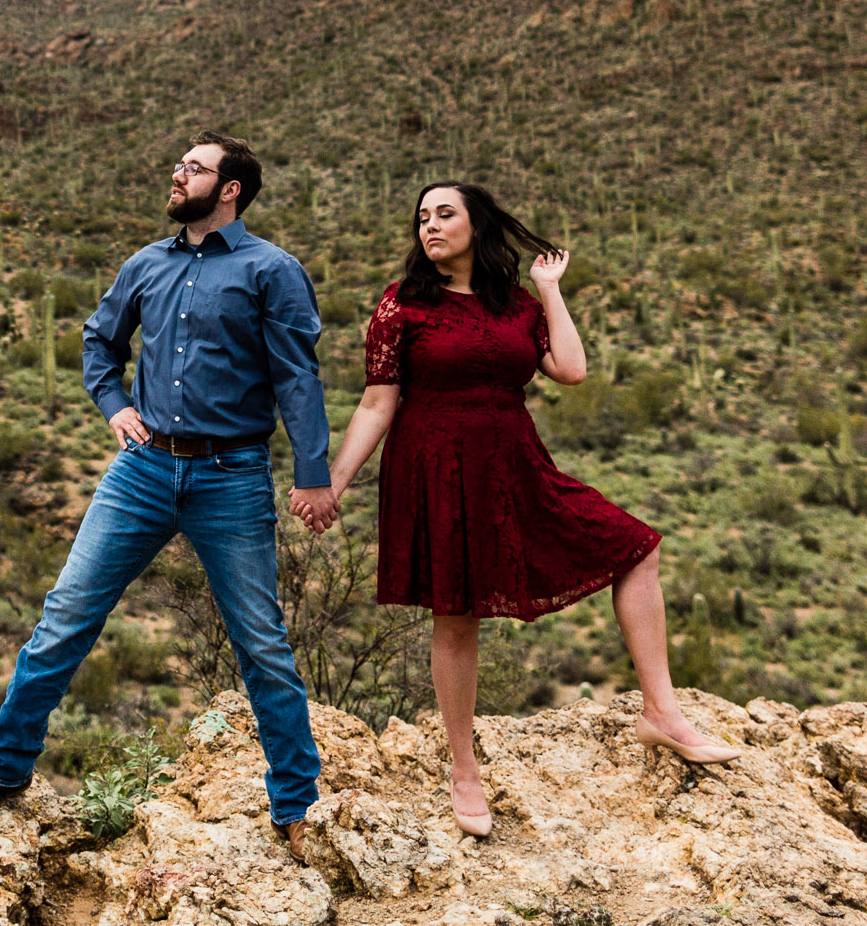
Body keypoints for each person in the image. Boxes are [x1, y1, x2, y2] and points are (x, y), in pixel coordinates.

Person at [291, 181, 746, 839]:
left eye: (445, 213)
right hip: (435, 470)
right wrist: (333, 481)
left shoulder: (517, 306)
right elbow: (376, 403)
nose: (431, 225)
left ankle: (662, 711)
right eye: (422, 217)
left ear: (478, 223)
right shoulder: (404, 304)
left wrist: (551, 289)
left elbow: (571, 368)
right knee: (457, 617)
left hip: (515, 467)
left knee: (637, 546)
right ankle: (464, 768)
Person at [0, 132, 335, 862]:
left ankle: (296, 805)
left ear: (232, 187)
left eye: (196, 167)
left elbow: (299, 378)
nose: (179, 175)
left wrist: (313, 473)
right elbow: (99, 340)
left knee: (262, 644)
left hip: (231, 475)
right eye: (179, 165)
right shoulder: (146, 262)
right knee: (65, 616)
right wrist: (113, 402)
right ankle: (1, 766)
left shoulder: (271, 269)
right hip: (143, 469)